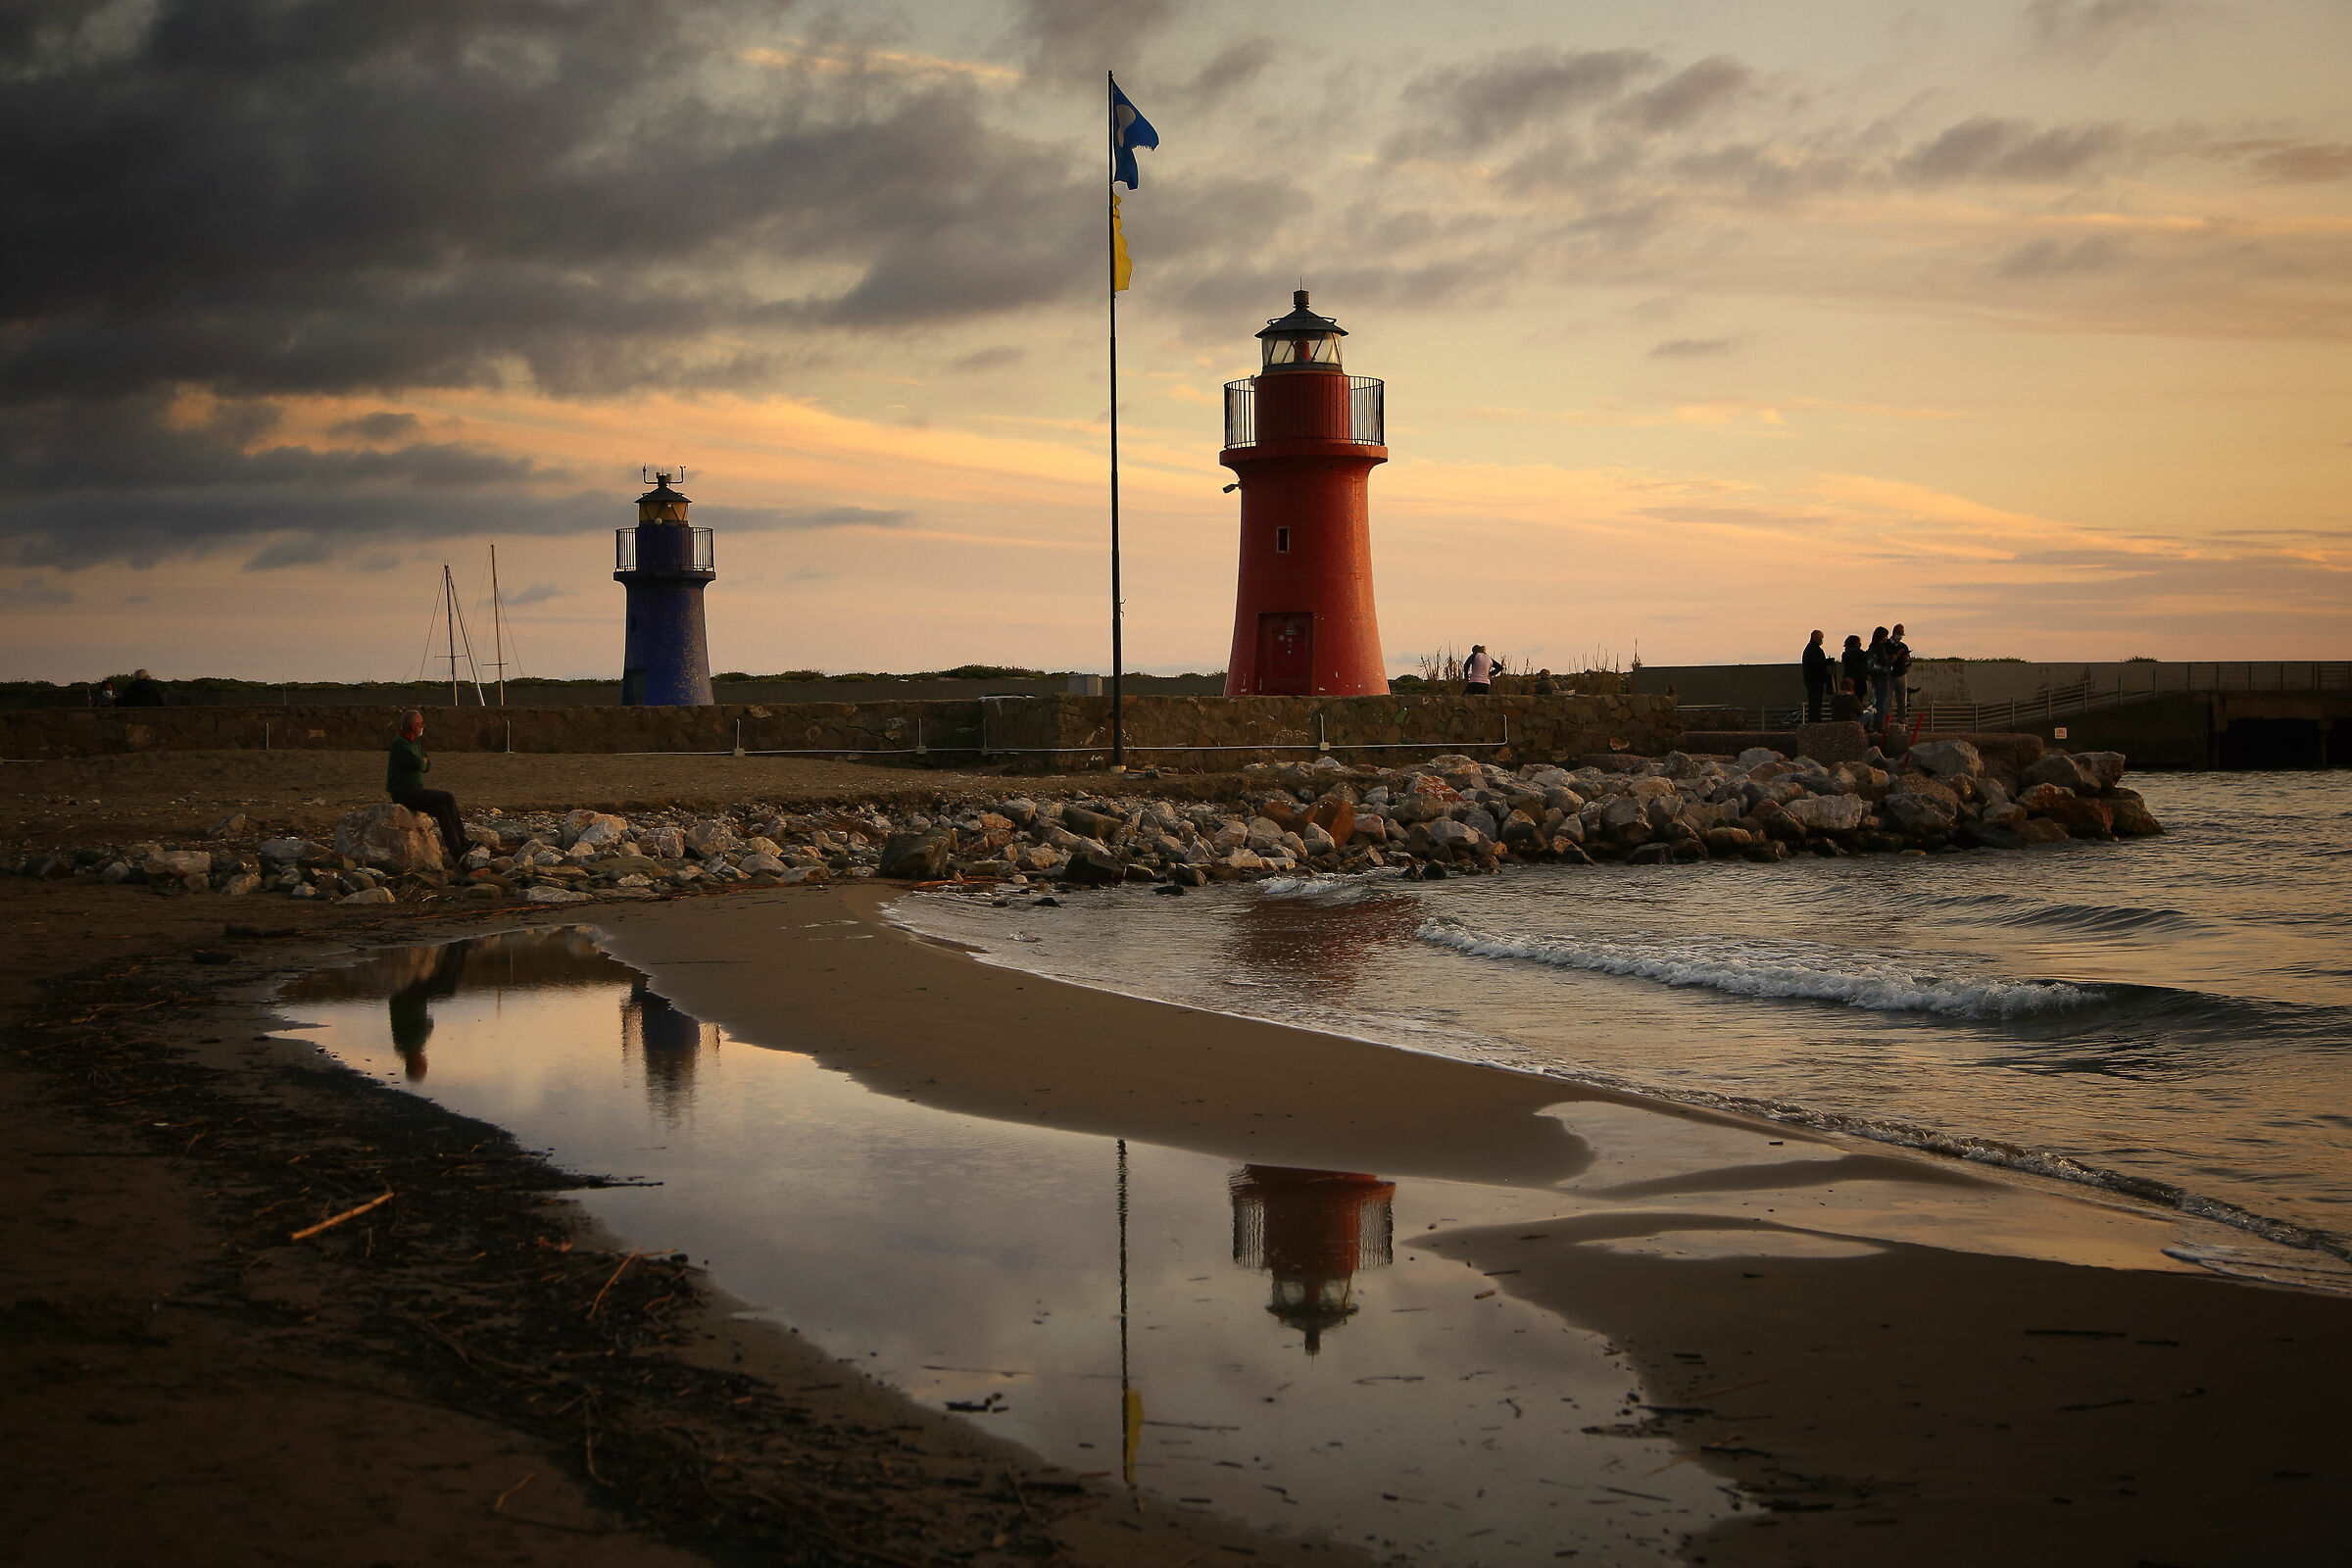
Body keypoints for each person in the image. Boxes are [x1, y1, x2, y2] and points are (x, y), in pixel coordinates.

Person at [387, 710, 466, 865]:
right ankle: (463, 839)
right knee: (447, 797)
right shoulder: (400, 743)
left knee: (442, 809)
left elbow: (426, 764)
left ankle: (457, 850)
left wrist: (422, 762)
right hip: (404, 791)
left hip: (415, 789)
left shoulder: (415, 743)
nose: (423, 726)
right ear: (412, 725)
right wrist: (421, 762)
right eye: (420, 723)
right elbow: (417, 763)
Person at [1801, 630, 1830, 722]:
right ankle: (1816, 721)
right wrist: (1827, 663)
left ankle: (1814, 720)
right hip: (1816, 681)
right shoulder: (1815, 650)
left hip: (1811, 680)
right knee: (1816, 703)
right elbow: (1818, 664)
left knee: (1814, 703)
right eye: (1820, 638)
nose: (1821, 640)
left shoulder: (1809, 649)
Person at [1886, 622, 1913, 718]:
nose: (1900, 636)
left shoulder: (1904, 646)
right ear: (1894, 632)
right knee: (1887, 701)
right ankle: (1886, 722)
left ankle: (1902, 721)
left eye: (1902, 634)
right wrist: (1897, 655)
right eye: (1899, 634)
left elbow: (1908, 663)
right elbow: (1886, 660)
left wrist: (1907, 660)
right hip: (1889, 676)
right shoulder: (1887, 645)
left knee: (1902, 701)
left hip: (1901, 675)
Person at [1866, 626, 1893, 720]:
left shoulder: (1871, 646)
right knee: (1882, 700)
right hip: (1882, 676)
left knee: (1876, 700)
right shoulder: (1881, 647)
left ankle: (1875, 720)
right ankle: (1880, 721)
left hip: (1874, 675)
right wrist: (1892, 658)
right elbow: (1884, 661)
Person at [1838, 635, 1869, 709]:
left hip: (1848, 679)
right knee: (1859, 700)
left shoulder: (1845, 654)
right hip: (1860, 680)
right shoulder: (1861, 653)